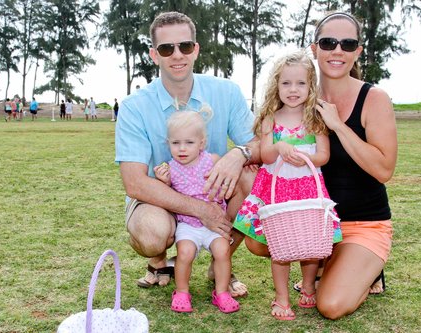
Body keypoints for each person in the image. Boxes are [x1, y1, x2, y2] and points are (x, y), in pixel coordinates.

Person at [115, 11, 259, 298]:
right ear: (154, 55)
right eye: (167, 48)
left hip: (212, 192)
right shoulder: (133, 106)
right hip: (159, 196)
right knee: (152, 232)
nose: (177, 55)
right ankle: (158, 261)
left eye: (185, 46)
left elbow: (260, 142)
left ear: (196, 50)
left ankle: (221, 262)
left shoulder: (226, 91)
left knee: (253, 178)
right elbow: (135, 183)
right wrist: (199, 210)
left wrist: (239, 154)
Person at [233, 50, 342, 320]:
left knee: (311, 242)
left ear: (311, 86)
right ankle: (281, 297)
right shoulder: (271, 118)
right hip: (276, 190)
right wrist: (280, 146)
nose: (293, 90)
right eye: (286, 83)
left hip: (306, 189)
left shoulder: (314, 119)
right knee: (279, 247)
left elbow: (323, 156)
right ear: (276, 86)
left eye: (301, 83)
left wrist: (303, 158)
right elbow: (267, 155)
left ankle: (307, 287)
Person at [307, 12, 397, 319]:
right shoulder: (301, 97)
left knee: (330, 305)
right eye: (328, 42)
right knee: (258, 242)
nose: (337, 51)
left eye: (348, 44)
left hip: (364, 224)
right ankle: (329, 263)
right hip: (318, 223)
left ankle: (365, 268)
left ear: (358, 51)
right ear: (314, 48)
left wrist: (338, 126)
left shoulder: (374, 99)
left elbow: (384, 169)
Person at [154, 108, 240, 313]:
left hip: (214, 223)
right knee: (185, 253)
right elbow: (168, 198)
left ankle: (221, 293)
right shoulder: (170, 168)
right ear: (168, 144)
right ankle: (182, 292)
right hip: (188, 224)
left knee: (223, 251)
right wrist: (164, 182)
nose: (182, 149)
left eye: (189, 143)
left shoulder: (212, 160)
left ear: (201, 143)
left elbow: (228, 181)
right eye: (176, 143)